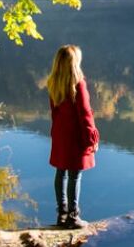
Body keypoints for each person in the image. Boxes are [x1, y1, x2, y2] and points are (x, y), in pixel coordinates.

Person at [46, 44, 99, 229]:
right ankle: (73, 217)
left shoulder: (53, 82)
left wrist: (55, 133)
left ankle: (62, 214)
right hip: (76, 135)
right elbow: (85, 114)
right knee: (75, 175)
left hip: (60, 133)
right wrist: (92, 138)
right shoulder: (78, 84)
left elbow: (54, 112)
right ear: (74, 63)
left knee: (61, 172)